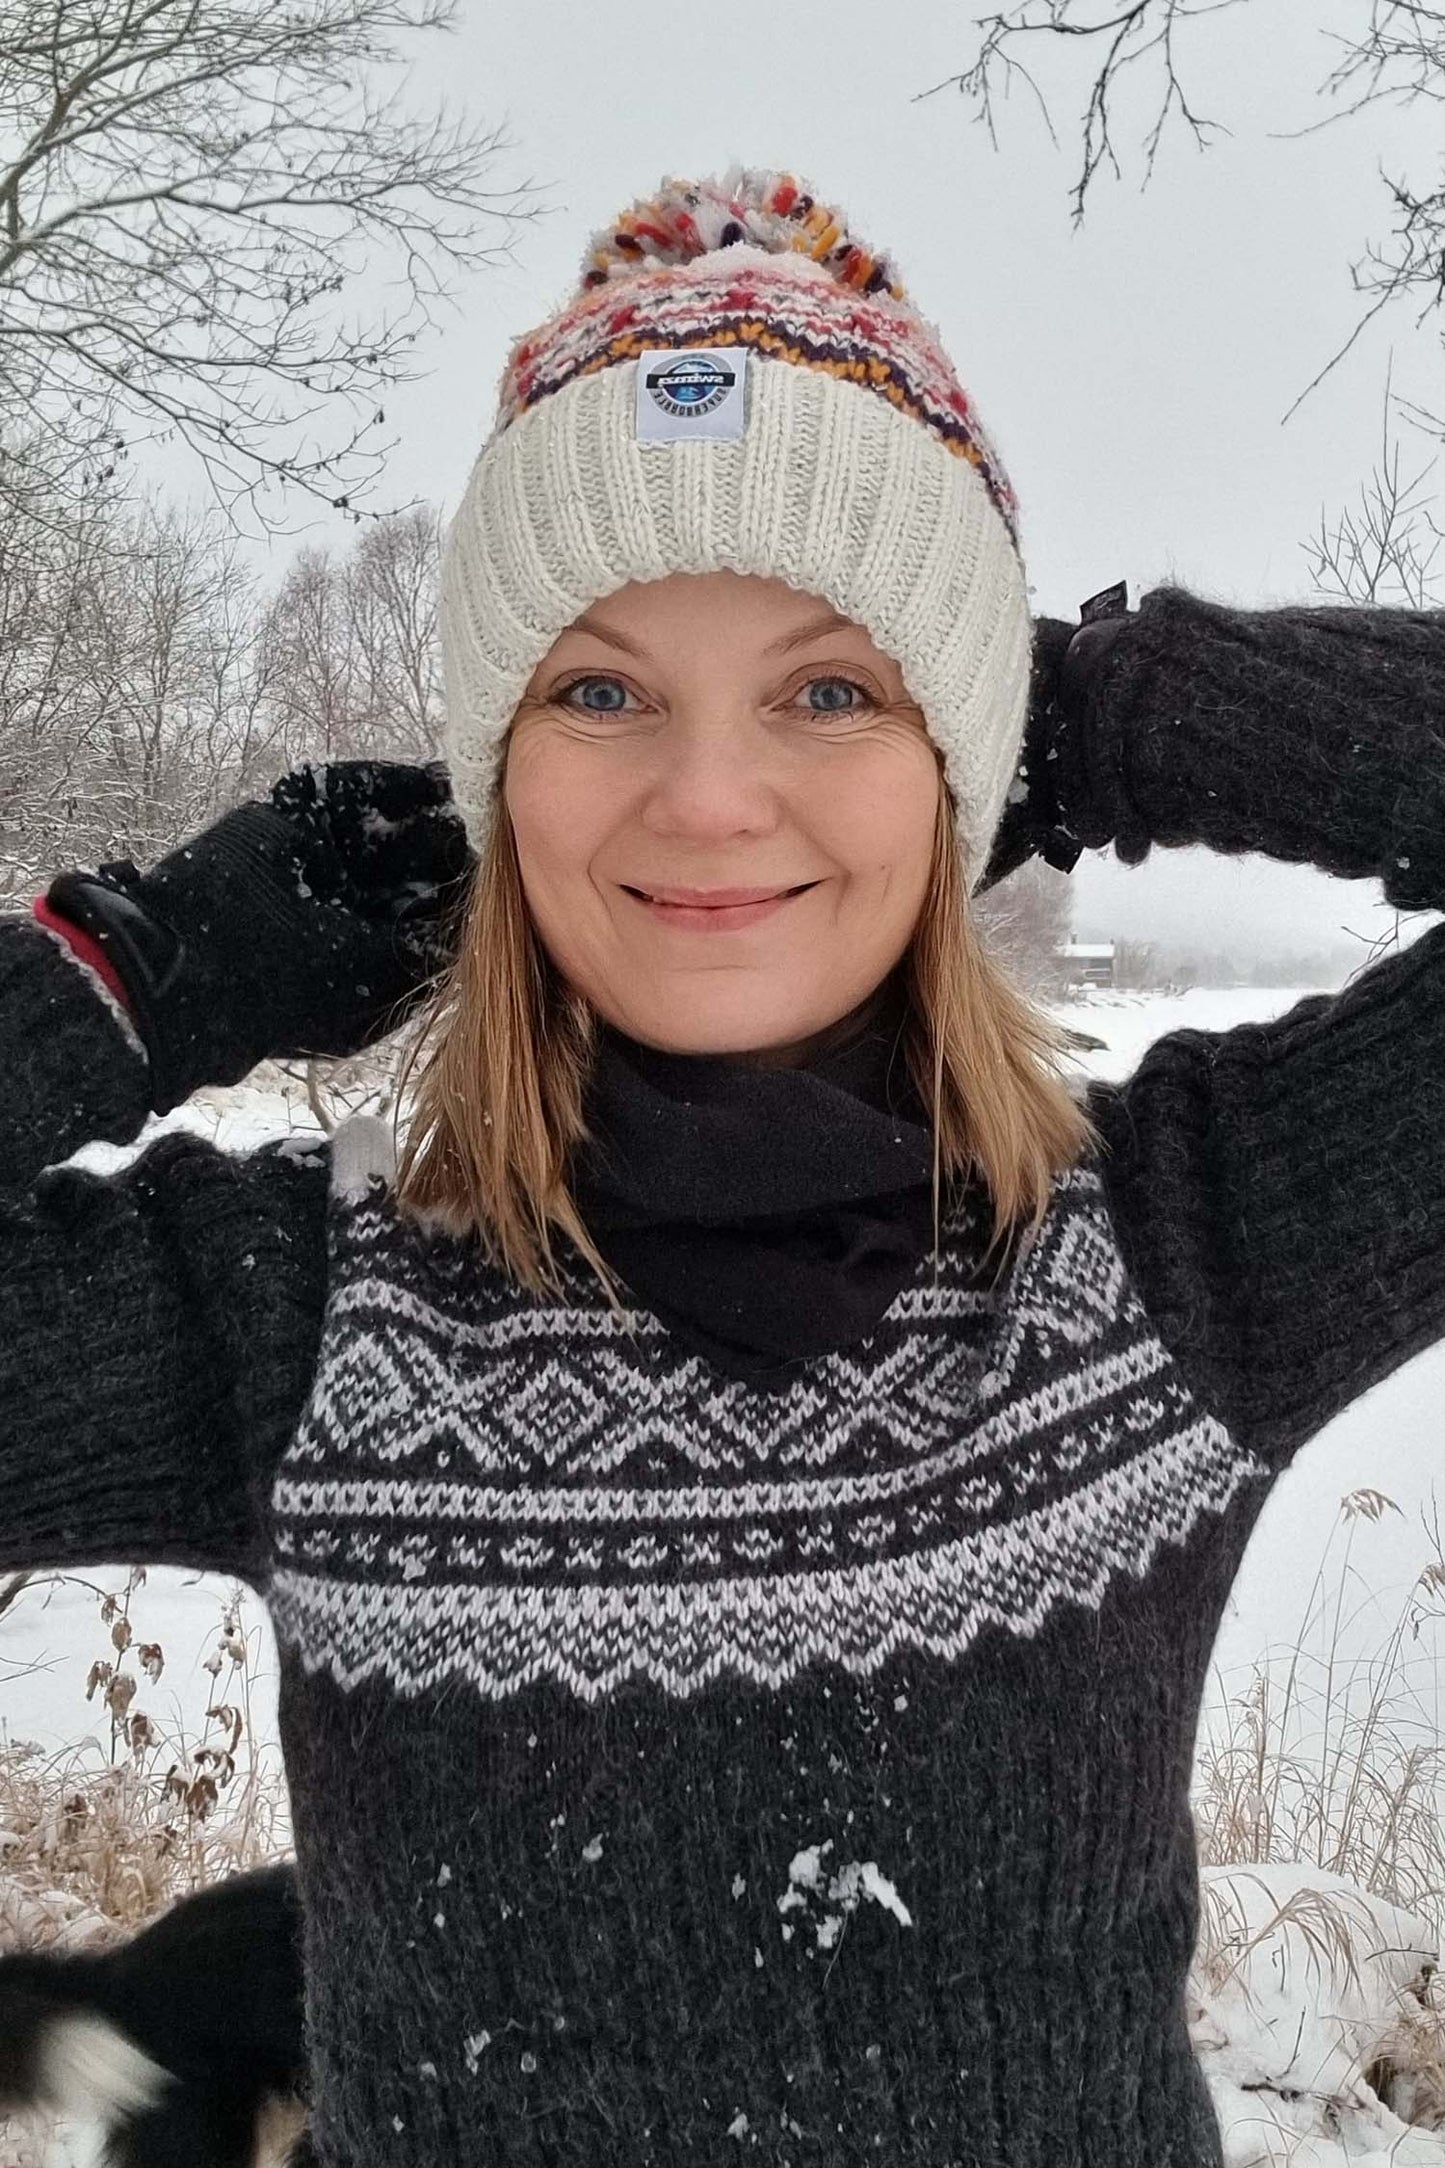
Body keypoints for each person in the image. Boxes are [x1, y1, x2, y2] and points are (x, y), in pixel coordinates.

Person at [3, 165, 1443, 2168]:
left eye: (835, 689)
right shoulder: (301, 1314)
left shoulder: (1168, 1254)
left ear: (961, 766)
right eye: (598, 690)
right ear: (499, 773)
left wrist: (1110, 711)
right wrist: (147, 966)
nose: (705, 792)